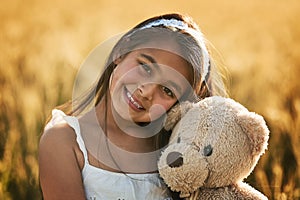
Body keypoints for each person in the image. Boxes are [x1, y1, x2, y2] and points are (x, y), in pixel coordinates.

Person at [39, 13, 228, 200]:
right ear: (121, 51)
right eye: (145, 67)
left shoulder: (178, 155)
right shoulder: (64, 140)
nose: (146, 92)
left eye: (167, 90)